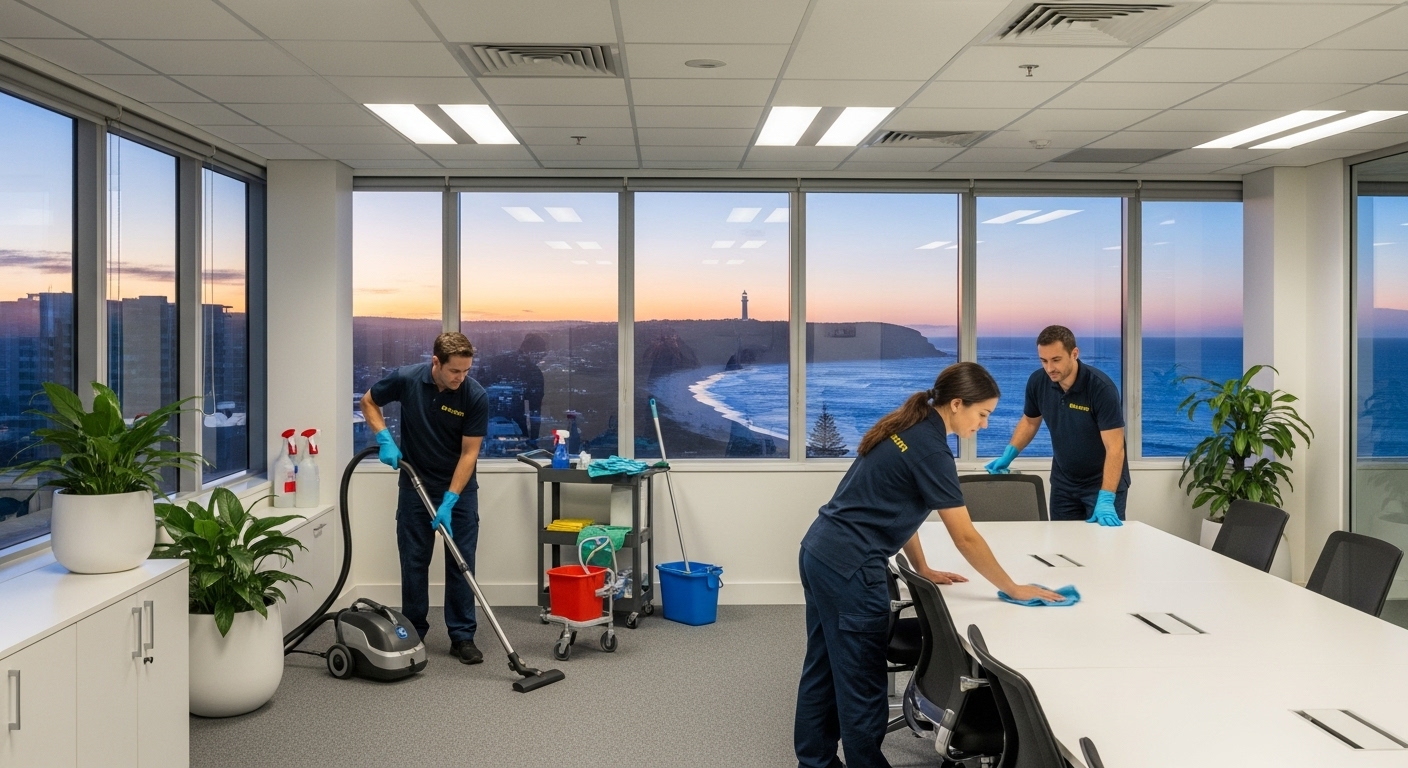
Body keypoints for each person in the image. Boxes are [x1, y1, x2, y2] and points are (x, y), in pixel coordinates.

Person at [794, 362, 1063, 768]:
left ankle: (814, 761)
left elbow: (897, 508)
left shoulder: (908, 427)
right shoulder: (932, 449)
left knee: (824, 668)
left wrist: (924, 566)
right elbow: (966, 536)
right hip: (851, 568)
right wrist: (1012, 587)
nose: (984, 425)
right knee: (861, 684)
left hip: (820, 552)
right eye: (982, 414)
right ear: (957, 405)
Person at [359, 332, 489, 664]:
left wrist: (450, 499)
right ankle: (413, 631)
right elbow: (368, 401)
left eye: (466, 371)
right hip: (414, 484)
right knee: (414, 562)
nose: (461, 378)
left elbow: (469, 454)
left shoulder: (474, 396)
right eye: (454, 371)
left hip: (457, 490)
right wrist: (384, 438)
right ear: (436, 363)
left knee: (461, 564)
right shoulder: (407, 379)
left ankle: (462, 636)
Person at [984, 325, 1130, 526]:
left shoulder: (1100, 389)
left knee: (1105, 547)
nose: (1049, 368)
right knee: (1062, 546)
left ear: (1074, 354)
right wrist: (1009, 454)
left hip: (1101, 485)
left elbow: (1115, 448)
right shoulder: (1038, 381)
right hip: (1064, 485)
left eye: (1056, 360)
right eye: (1044, 361)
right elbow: (1029, 421)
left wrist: (1106, 499)